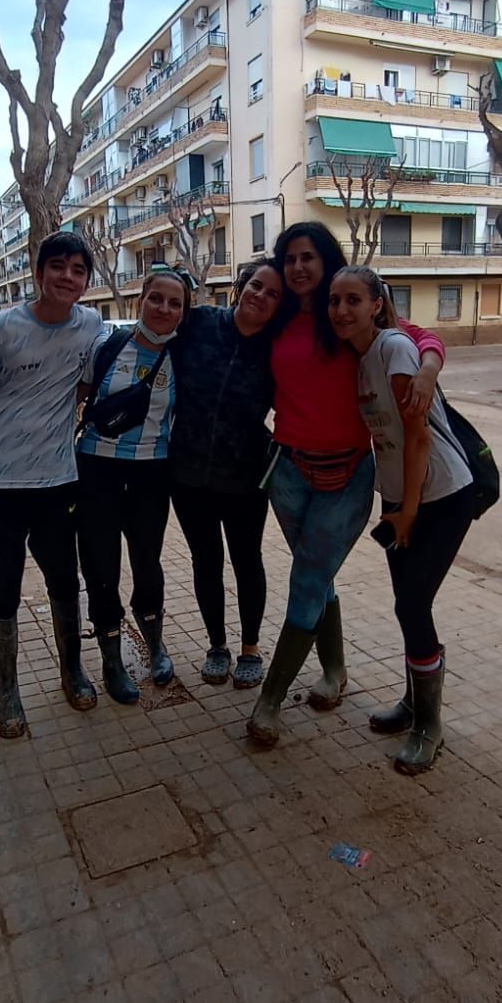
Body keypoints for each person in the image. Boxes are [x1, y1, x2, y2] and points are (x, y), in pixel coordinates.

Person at [247, 221, 445, 746]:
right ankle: (334, 673)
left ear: (327, 261)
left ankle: (269, 702)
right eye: (289, 259)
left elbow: (418, 337)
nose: (297, 268)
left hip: (349, 472)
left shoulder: (347, 314)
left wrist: (427, 369)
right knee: (318, 572)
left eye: (308, 256)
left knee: (310, 577)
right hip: (288, 470)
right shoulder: (280, 319)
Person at [0, 232, 106, 738]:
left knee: (65, 580)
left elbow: (84, 383)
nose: (68, 276)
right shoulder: (2, 326)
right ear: (39, 273)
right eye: (57, 266)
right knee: (3, 587)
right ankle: (6, 691)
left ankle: (72, 669)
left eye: (78, 269)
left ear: (86, 280)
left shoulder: (91, 325)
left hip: (59, 479)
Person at [329, 265, 474, 773]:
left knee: (414, 605)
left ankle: (429, 728)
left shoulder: (392, 348)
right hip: (400, 498)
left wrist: (408, 510)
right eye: (335, 301)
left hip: (441, 495)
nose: (342, 310)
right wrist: (395, 506)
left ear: (376, 304)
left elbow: (419, 436)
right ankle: (415, 703)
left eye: (353, 300)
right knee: (405, 605)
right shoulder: (359, 353)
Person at [76, 267, 191, 705]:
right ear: (140, 300)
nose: (164, 309)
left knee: (148, 563)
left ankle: (156, 644)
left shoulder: (183, 355)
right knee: (101, 569)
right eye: (156, 299)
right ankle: (111, 661)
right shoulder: (107, 347)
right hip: (96, 472)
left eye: (174, 303)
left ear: (183, 311)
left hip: (151, 475)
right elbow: (74, 396)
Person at [169, 258, 284, 688]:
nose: (260, 296)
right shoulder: (198, 323)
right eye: (256, 285)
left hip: (246, 476)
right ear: (241, 285)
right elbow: (147, 340)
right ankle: (216, 644)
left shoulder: (277, 347)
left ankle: (250, 647)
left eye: (272, 294)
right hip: (187, 472)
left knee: (246, 560)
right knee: (206, 561)